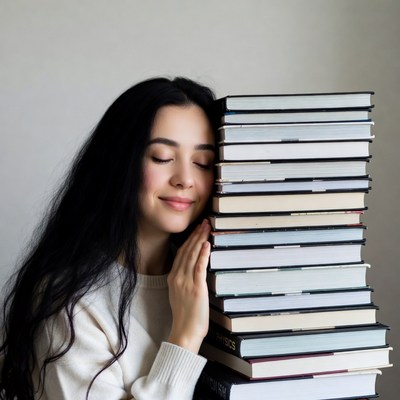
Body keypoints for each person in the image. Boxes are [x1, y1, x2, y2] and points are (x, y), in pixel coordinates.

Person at [0, 76, 219, 399]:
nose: (185, 179)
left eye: (203, 163)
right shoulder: (71, 304)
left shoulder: (221, 280)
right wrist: (185, 339)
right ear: (120, 162)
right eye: (162, 157)